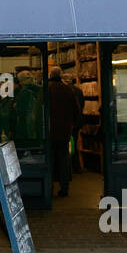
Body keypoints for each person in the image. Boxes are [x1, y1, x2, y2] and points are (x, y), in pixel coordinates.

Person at [47, 69, 84, 197]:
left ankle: (48, 187)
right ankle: (64, 187)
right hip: (65, 130)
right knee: (63, 159)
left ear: (50, 76)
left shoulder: (47, 90)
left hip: (49, 130)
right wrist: (74, 126)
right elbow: (76, 109)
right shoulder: (69, 90)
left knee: (49, 159)